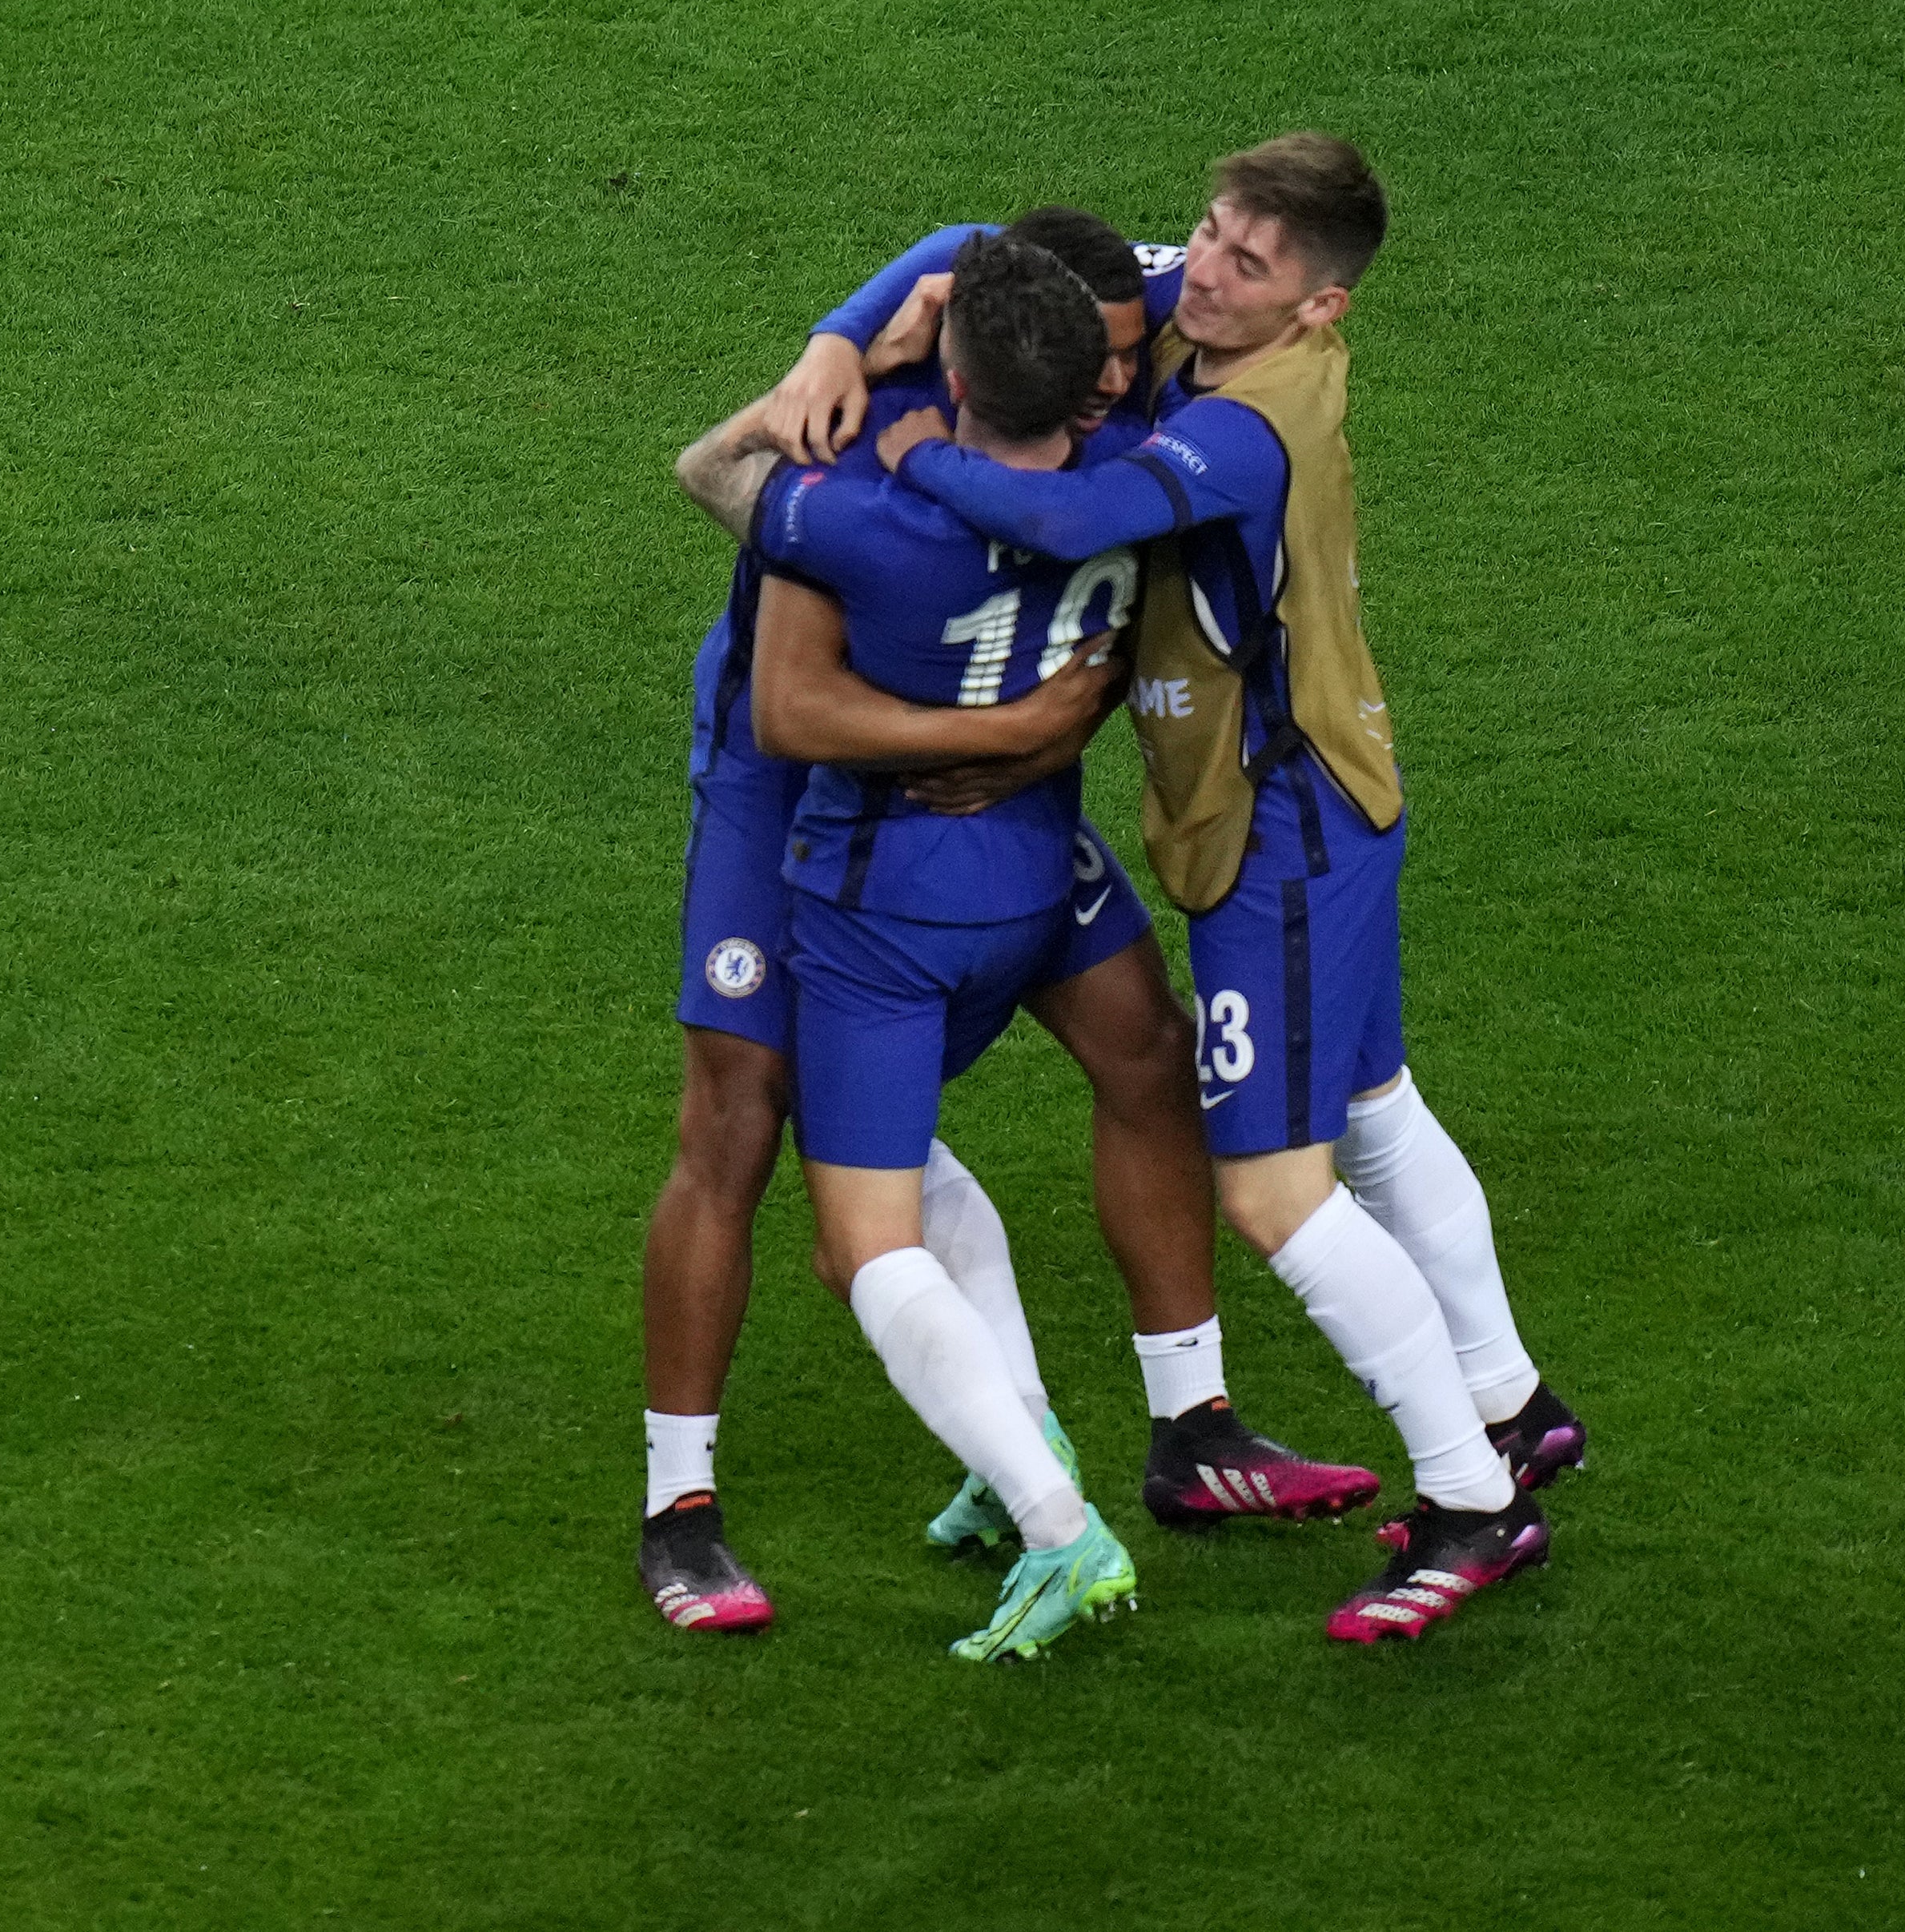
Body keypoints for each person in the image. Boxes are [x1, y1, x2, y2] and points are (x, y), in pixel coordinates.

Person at [872, 135, 1583, 1644]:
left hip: (1283, 835)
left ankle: (1471, 1503)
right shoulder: (1195, 302)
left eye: (1247, 264)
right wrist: (829, 339)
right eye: (1202, 230)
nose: (1199, 268)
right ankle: (1515, 1408)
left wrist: (910, 450)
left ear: (1318, 309)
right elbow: (973, 237)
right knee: (1377, 1107)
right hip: (1320, 794)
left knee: (1272, 1188)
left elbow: (1065, 519)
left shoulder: (1255, 422)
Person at [634, 215, 1372, 1637]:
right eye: (1094, 358)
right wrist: (837, 338)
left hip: (992, 802)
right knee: (738, 1115)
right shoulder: (855, 430)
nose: (1116, 381)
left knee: (1144, 1049)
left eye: (1122, 353)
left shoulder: (1099, 416)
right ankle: (680, 1502)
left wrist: (1050, 732)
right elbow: (786, 665)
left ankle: (1189, 1426)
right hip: (785, 799)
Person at [677, 233, 1188, 1662]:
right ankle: (1015, 1441)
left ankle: (1053, 1518)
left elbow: (711, 478)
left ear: (952, 361)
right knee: (951, 1165)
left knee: (864, 1238)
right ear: (1094, 378)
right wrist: (1035, 733)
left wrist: (839, 352)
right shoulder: (1134, 480)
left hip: (874, 905)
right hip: (1031, 871)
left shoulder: (856, 518)